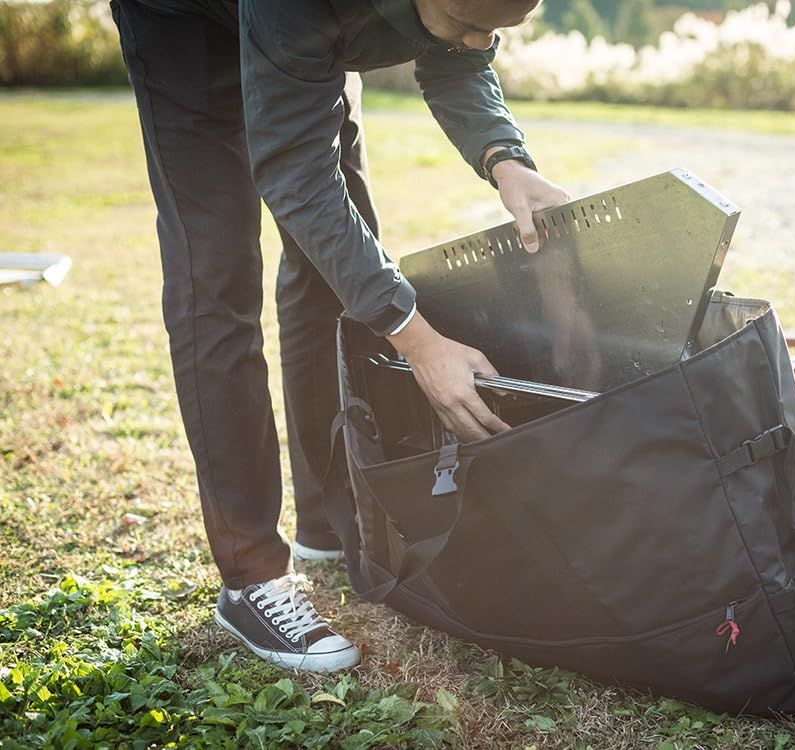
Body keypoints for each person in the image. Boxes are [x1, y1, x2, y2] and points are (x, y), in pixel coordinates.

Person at [110, 0, 570, 673]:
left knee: (333, 262)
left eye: (496, 29)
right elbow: (295, 175)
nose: (481, 42)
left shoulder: (460, 16)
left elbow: (459, 57)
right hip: (185, 21)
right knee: (215, 272)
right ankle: (250, 578)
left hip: (303, 34)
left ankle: (326, 523)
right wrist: (418, 341)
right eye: (470, 23)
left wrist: (506, 159)